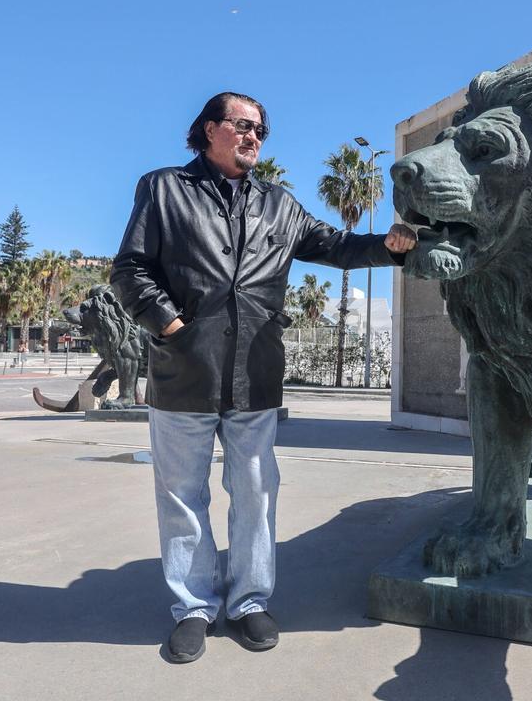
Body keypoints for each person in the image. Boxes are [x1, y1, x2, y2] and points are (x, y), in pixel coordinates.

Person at [111, 91, 416, 664]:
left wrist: (391, 246)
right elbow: (130, 268)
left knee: (255, 494)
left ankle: (249, 603)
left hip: (256, 373)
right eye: (244, 125)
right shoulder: (163, 188)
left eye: (262, 130)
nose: (255, 137)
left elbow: (336, 245)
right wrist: (171, 326)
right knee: (182, 498)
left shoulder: (280, 204)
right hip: (183, 374)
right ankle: (193, 609)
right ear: (208, 129)